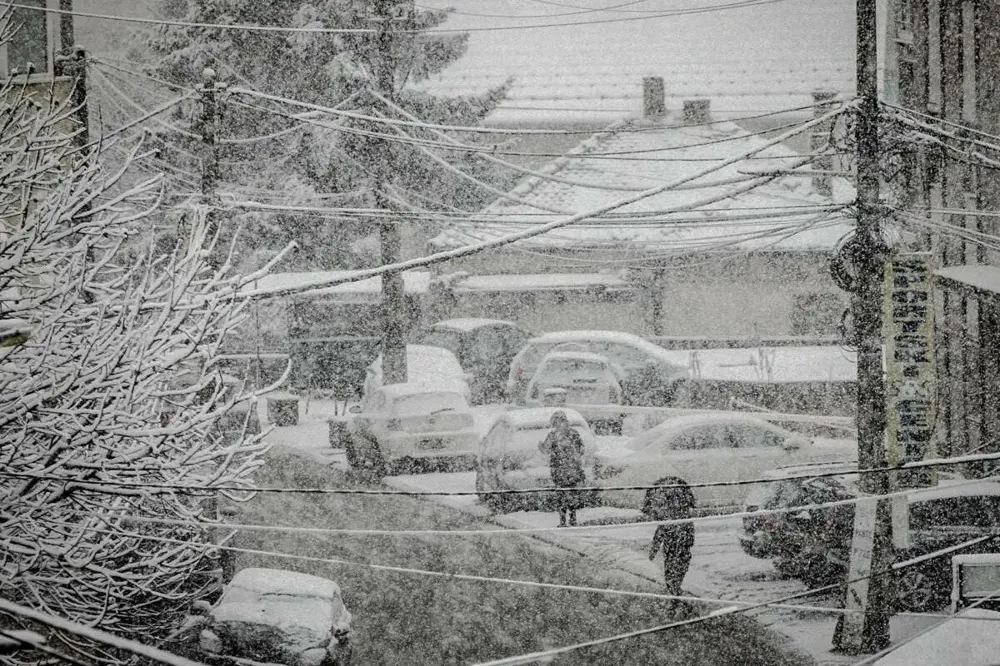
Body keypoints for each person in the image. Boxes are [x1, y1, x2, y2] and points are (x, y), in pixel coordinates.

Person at [646, 477, 696, 601]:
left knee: (673, 574)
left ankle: (675, 595)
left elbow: (660, 534)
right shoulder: (681, 516)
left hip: (676, 548)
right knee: (674, 574)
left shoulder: (676, 518)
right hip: (677, 549)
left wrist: (653, 551)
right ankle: (675, 594)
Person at [539, 411, 587, 527]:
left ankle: (563, 520)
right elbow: (581, 450)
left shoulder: (553, 435)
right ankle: (572, 519)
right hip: (572, 470)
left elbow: (546, 450)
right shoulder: (574, 433)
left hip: (559, 471)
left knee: (561, 496)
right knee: (571, 495)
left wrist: (540, 446)